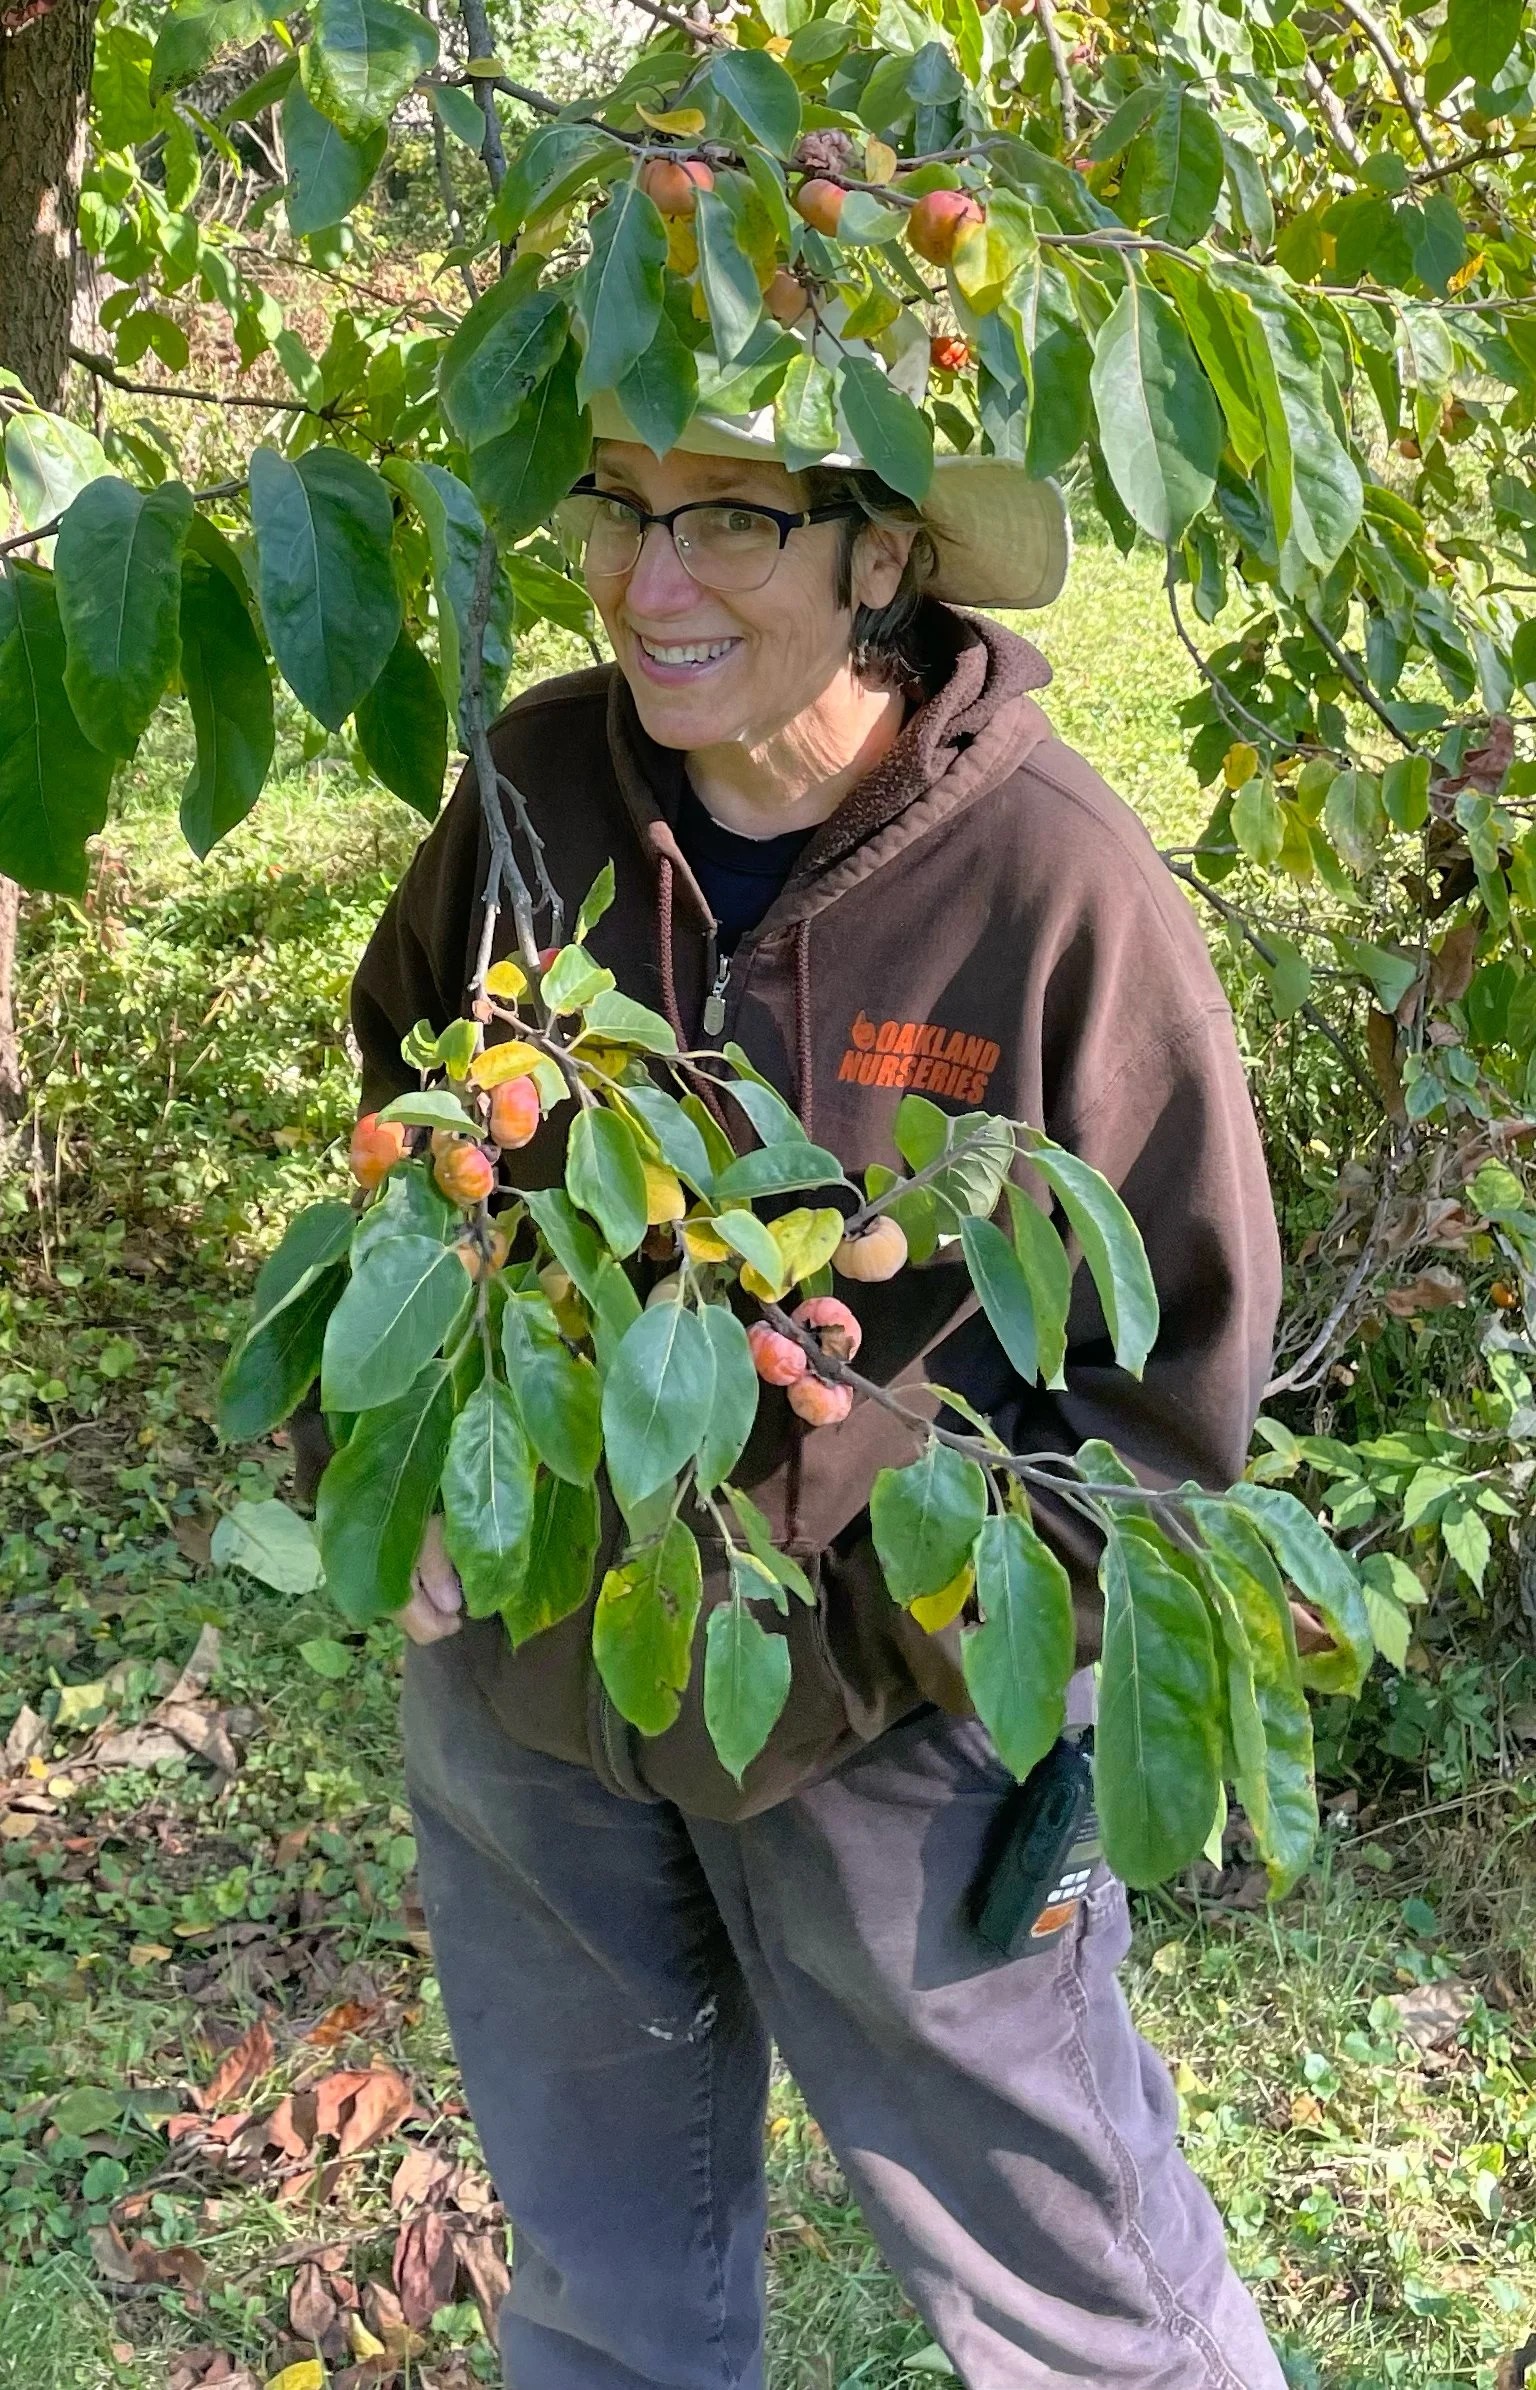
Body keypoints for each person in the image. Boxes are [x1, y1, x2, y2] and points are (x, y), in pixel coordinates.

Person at [348, 377, 1288, 2388]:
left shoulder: (1056, 890)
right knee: (606, 2279)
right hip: (532, 1694)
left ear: (883, 554)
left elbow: (1168, 1396)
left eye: (732, 522)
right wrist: (420, 1446)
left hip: (893, 1735)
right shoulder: (539, 789)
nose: (646, 580)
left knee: (1075, 2288)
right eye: (618, 506)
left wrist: (913, 1648)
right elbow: (405, 1120)